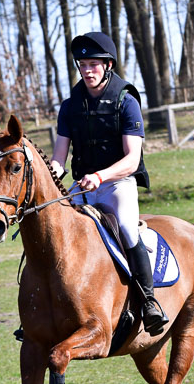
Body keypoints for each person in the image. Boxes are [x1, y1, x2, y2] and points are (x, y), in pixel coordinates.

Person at [50, 31, 168, 336]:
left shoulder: (126, 101)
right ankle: (48, 308)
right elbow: (59, 158)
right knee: (54, 232)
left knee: (128, 229)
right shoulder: (69, 106)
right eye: (82, 64)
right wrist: (50, 174)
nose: (87, 70)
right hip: (82, 186)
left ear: (108, 65)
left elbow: (132, 159)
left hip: (117, 184)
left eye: (93, 64)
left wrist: (101, 176)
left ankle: (150, 302)